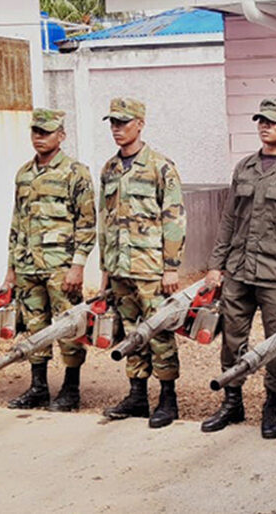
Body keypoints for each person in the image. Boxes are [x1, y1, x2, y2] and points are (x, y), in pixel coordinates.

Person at [201, 97, 276, 439]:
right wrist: (216, 265)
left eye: (272, 120)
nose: (264, 126)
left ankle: (272, 404)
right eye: (260, 120)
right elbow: (228, 219)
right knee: (232, 339)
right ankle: (232, 401)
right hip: (239, 271)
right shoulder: (244, 167)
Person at [99, 97, 186, 429]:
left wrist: (171, 266)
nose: (117, 129)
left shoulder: (160, 166)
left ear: (140, 124)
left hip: (150, 266)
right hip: (120, 266)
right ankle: (137, 395)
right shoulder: (109, 168)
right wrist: (105, 271)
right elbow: (104, 222)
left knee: (159, 331)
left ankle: (167, 397)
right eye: (113, 123)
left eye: (123, 122)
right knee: (131, 331)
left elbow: (174, 218)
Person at [4, 108, 96, 411]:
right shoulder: (24, 174)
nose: (39, 137)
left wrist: (78, 264)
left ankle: (71, 389)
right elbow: (17, 223)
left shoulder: (75, 173)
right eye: (35, 132)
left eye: (46, 132)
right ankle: (38, 387)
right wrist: (11, 269)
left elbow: (86, 222)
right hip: (28, 265)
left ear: (61, 136)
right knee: (34, 326)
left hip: (61, 267)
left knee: (69, 327)